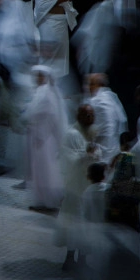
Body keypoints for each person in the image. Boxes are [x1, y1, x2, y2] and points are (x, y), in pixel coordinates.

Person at [57, 105, 101, 270]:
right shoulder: (72, 134)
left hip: (88, 187)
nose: (90, 118)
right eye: (87, 114)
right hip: (76, 188)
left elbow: (96, 154)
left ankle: (82, 258)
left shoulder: (91, 132)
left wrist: (95, 155)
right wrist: (86, 156)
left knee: (86, 225)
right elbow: (69, 160)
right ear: (79, 116)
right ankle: (69, 259)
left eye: (92, 114)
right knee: (73, 225)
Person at [25, 66, 66, 212]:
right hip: (36, 137)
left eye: (41, 76)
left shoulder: (48, 93)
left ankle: (50, 201)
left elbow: (51, 117)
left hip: (45, 139)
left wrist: (41, 135)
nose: (38, 78)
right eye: (37, 75)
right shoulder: (39, 92)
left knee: (47, 170)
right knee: (38, 171)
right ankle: (40, 200)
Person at [33, 0, 79, 77]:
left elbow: (57, 0)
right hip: (49, 24)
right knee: (49, 56)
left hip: (61, 24)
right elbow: (42, 6)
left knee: (60, 58)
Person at [84, 73, 126, 162]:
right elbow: (122, 120)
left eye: (91, 84)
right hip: (114, 146)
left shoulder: (95, 101)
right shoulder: (112, 97)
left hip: (101, 147)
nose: (88, 87)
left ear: (100, 85)